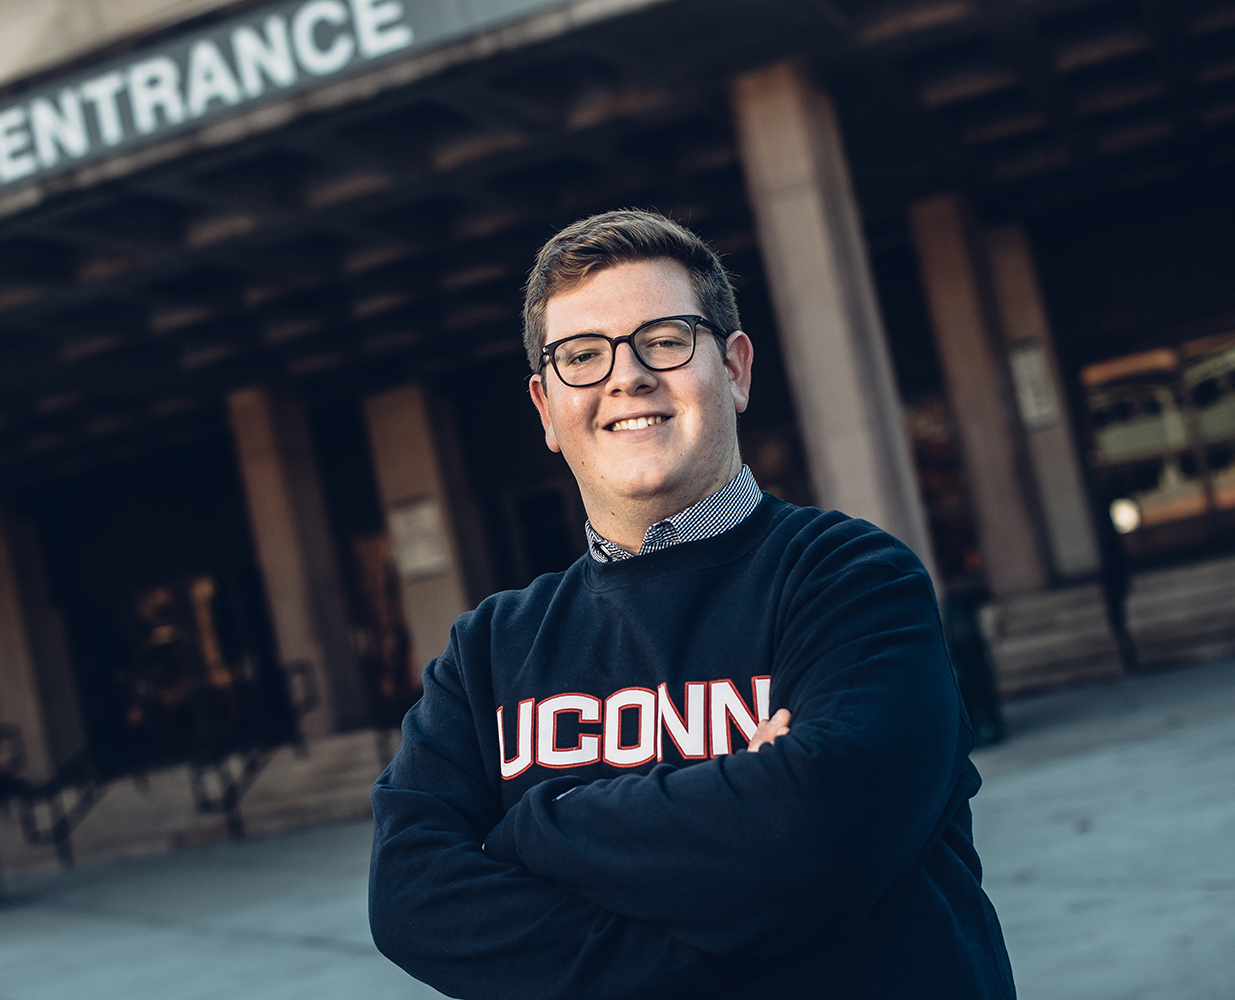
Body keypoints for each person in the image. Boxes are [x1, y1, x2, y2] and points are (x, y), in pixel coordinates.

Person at [368, 209, 1015, 999]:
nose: (626, 376)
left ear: (735, 369)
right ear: (545, 408)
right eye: (581, 356)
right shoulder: (487, 654)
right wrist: (738, 821)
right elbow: (412, 899)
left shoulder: (851, 578)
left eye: (666, 339)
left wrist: (531, 826)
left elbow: (824, 829)